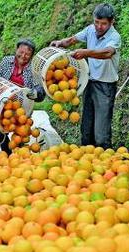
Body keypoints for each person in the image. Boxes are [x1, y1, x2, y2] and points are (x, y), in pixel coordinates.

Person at [50, 3, 121, 149]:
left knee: (101, 132)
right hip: (89, 83)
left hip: (105, 86)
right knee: (86, 128)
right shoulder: (90, 30)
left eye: (103, 24)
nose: (99, 26)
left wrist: (86, 52)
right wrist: (60, 43)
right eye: (97, 22)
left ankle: (105, 158)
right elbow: (72, 40)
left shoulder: (114, 36)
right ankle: (87, 160)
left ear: (111, 22)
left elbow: (107, 53)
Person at [0, 38, 46, 155]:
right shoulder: (7, 61)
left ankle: (20, 158)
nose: (23, 56)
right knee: (0, 130)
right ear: (16, 50)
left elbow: (40, 89)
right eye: (21, 52)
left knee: (21, 134)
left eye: (27, 54)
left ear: (31, 55)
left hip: (22, 108)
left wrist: (35, 93)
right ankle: (6, 154)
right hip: (5, 104)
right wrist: (3, 86)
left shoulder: (33, 68)